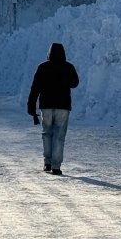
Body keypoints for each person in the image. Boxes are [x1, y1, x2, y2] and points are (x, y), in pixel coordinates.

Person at [26, 42, 79, 175]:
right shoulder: (68, 67)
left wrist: (31, 106)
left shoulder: (43, 67)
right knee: (59, 136)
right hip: (63, 106)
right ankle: (56, 166)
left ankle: (47, 162)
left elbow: (35, 88)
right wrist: (64, 79)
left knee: (47, 134)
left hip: (46, 106)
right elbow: (75, 83)